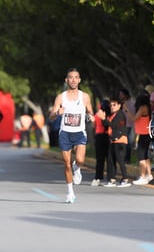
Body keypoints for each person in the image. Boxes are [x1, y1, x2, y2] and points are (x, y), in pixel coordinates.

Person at [49, 68, 95, 203]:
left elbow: (90, 112)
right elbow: (51, 117)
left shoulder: (85, 96)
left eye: (76, 77)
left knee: (80, 160)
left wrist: (90, 117)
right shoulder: (60, 97)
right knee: (66, 164)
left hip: (79, 133)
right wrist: (57, 113)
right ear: (66, 80)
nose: (74, 80)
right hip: (65, 133)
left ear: (79, 80)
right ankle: (70, 193)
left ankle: (78, 167)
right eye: (71, 77)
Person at [98, 97, 131, 187]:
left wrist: (104, 119)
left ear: (119, 105)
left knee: (120, 160)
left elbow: (114, 125)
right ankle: (111, 179)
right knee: (110, 160)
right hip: (113, 140)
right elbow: (106, 125)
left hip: (120, 140)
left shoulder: (120, 114)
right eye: (111, 105)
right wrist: (103, 118)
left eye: (114, 105)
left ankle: (125, 179)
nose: (112, 107)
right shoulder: (112, 115)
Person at [123, 93, 154, 185]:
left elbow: (134, 118)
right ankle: (149, 174)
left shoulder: (142, 108)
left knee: (141, 156)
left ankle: (143, 176)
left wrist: (126, 110)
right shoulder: (148, 107)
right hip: (146, 133)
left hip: (144, 133)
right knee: (145, 155)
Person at [91, 99, 110, 187]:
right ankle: (110, 178)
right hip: (108, 137)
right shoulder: (109, 114)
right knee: (109, 158)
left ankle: (98, 177)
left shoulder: (97, 114)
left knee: (100, 159)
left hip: (99, 137)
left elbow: (93, 125)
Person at [119, 88, 135, 164]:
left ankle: (127, 159)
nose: (120, 96)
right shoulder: (122, 104)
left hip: (130, 125)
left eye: (121, 95)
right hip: (123, 125)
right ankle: (122, 158)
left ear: (126, 95)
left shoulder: (132, 103)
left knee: (128, 143)